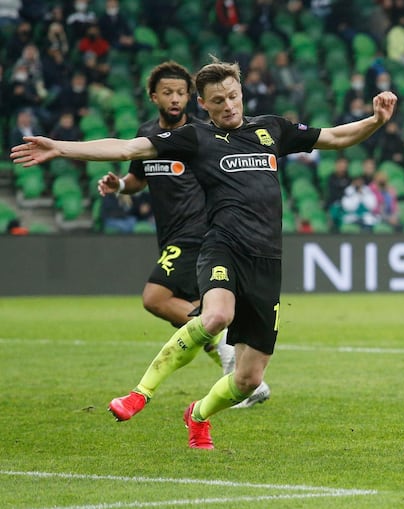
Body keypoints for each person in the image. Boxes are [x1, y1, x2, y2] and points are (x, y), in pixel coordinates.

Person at [12, 58, 398, 449]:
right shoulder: (195, 138)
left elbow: (333, 137)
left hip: (266, 261)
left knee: (249, 379)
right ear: (203, 104)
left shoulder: (272, 129)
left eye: (233, 96)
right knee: (216, 316)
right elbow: (128, 147)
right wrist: (59, 148)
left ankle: (197, 415)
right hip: (222, 246)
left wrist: (375, 121)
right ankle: (139, 394)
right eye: (218, 100)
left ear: (241, 93)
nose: (228, 105)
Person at [96, 62, 272, 421]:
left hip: (200, 232)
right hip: (171, 233)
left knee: (155, 298)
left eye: (181, 92)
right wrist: (119, 187)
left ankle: (223, 354)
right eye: (167, 92)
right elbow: (137, 178)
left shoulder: (201, 135)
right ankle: (235, 365)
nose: (175, 99)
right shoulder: (150, 133)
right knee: (197, 307)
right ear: (153, 96)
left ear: (192, 98)